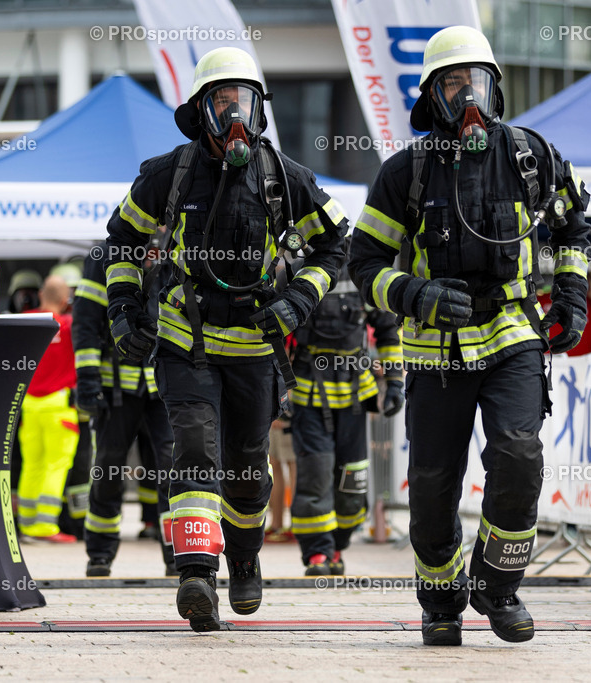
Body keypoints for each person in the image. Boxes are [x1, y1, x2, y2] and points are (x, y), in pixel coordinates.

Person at [348, 26, 591, 646]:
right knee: (433, 481)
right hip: (435, 347)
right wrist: (413, 293)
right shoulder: (405, 173)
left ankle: (498, 586)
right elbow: (364, 262)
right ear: (434, 97)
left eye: (476, 84)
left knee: (518, 454)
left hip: (512, 331)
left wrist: (569, 295)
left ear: (495, 89)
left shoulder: (533, 156)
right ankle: (441, 601)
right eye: (453, 86)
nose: (468, 100)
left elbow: (573, 233)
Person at [103, 47, 347, 631]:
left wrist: (298, 301)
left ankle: (243, 558)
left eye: (243, 101)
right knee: (192, 451)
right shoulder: (170, 172)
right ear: (201, 112)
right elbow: (120, 244)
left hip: (257, 349)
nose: (234, 114)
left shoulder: (287, 177)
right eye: (221, 102)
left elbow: (334, 246)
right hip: (188, 341)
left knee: (246, 469)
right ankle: (195, 573)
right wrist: (124, 309)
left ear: (260, 109)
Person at [289, 259, 403, 576]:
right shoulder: (297, 267)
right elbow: (278, 332)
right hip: (309, 394)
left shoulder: (364, 270)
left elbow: (388, 330)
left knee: (352, 481)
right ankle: (317, 554)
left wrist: (394, 382)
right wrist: (276, 388)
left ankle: (337, 547)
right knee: (316, 474)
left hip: (355, 395)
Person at [73, 242, 176, 576]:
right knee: (107, 468)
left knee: (172, 471)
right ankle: (99, 554)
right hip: (114, 389)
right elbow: (86, 321)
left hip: (164, 384)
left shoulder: (178, 252)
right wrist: (88, 383)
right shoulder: (104, 256)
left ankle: (178, 556)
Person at [16, 275, 79, 543]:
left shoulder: (25, 322)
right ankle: (45, 527)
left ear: (41, 294)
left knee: (32, 464)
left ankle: (27, 525)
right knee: (56, 465)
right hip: (59, 405)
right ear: (66, 300)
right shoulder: (69, 325)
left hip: (28, 403)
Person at [265, 413, 296, 543]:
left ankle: (295, 526)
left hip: (288, 409)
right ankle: (277, 525)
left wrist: (281, 412)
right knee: (274, 462)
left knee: (293, 462)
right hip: (277, 407)